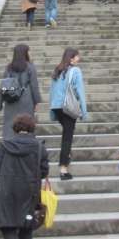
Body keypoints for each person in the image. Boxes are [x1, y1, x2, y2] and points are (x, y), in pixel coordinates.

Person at [0, 113, 49, 239]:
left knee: (7, 224)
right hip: (30, 191)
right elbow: (44, 171)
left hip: (7, 189)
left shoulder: (5, 144)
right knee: (26, 225)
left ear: (15, 128)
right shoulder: (39, 146)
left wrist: (8, 177)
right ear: (32, 128)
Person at [49, 48, 88, 180]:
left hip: (57, 107)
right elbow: (80, 92)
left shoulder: (57, 70)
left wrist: (52, 111)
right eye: (77, 56)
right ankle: (63, 168)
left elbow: (51, 91)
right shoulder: (75, 70)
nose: (79, 59)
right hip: (68, 107)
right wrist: (84, 111)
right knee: (67, 137)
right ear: (71, 58)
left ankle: (67, 156)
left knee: (67, 132)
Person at [0, 44, 42, 140]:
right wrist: (37, 101)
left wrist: (0, 103)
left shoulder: (9, 67)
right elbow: (34, 85)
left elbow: (3, 85)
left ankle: (9, 143)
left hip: (11, 99)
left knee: (10, 122)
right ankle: (28, 141)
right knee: (27, 121)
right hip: (26, 99)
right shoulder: (30, 67)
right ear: (25, 53)